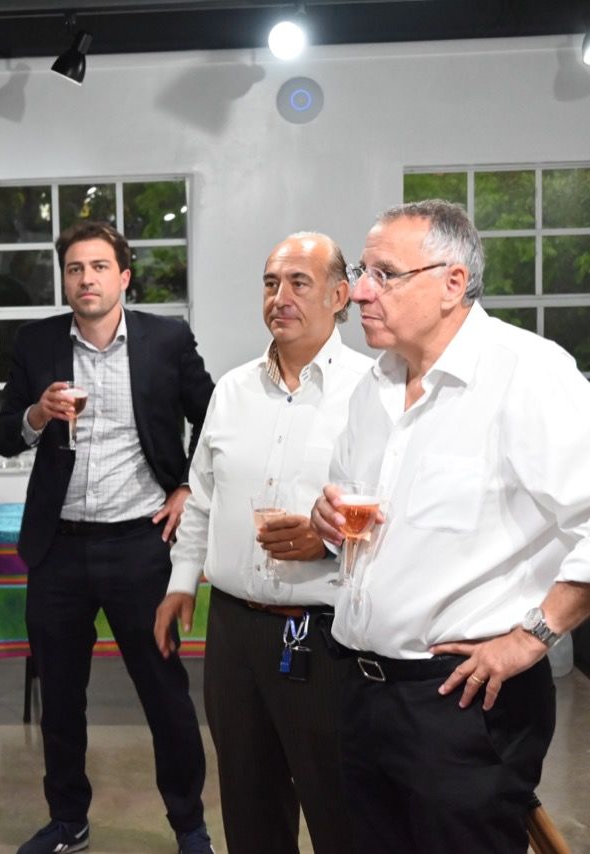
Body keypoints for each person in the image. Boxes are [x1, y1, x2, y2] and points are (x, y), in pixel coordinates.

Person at [310, 200, 590, 853]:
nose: (361, 292)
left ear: (453, 283)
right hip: (360, 689)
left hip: (463, 704)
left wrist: (534, 635)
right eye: (361, 270)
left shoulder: (528, 374)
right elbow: (360, 523)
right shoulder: (372, 389)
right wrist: (329, 522)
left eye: (385, 274)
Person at [0, 220, 215, 854]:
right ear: (63, 280)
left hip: (140, 544)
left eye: (97, 267)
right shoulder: (35, 342)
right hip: (57, 546)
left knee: (166, 698)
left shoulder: (167, 340)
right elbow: (5, 434)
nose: (85, 278)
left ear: (123, 276)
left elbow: (215, 419)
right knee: (61, 701)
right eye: (73, 269)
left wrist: (188, 489)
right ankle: (69, 821)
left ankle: (189, 826)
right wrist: (37, 413)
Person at [156, 232, 366, 854]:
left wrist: (328, 543)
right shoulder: (232, 389)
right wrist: (179, 584)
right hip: (236, 634)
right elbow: (202, 496)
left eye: (299, 283)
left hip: (328, 636)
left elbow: (396, 514)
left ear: (339, 295)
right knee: (249, 809)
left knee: (338, 810)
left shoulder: (374, 391)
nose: (281, 297)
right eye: (272, 283)